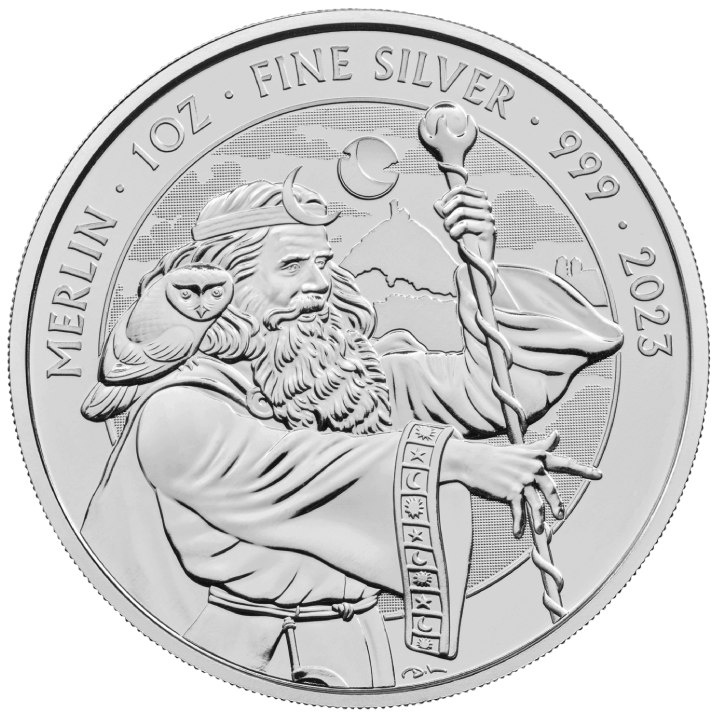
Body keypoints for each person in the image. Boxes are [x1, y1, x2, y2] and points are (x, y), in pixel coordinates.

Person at [81, 174, 622, 688]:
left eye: (322, 263)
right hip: (233, 657)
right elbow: (284, 467)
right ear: (229, 285)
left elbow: (495, 390)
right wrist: (456, 461)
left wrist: (483, 265)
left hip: (359, 644)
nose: (319, 284)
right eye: (291, 266)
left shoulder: (345, 377)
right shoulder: (178, 407)